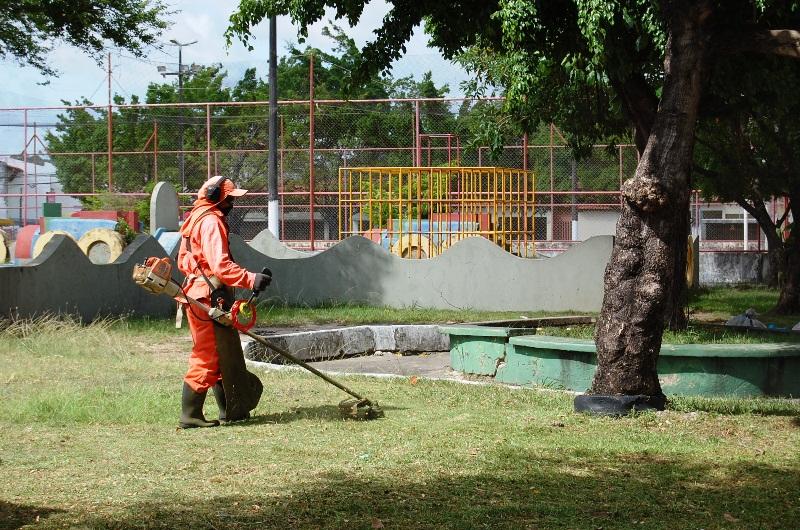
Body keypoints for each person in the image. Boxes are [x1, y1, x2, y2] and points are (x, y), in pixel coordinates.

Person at [175, 175, 271, 428]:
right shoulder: (211, 221)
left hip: (199, 293)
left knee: (222, 353)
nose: (232, 204)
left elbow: (183, 261)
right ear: (215, 197)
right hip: (209, 296)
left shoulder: (194, 219)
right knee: (209, 355)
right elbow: (221, 266)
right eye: (229, 199)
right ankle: (190, 415)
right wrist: (251, 279)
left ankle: (231, 410)